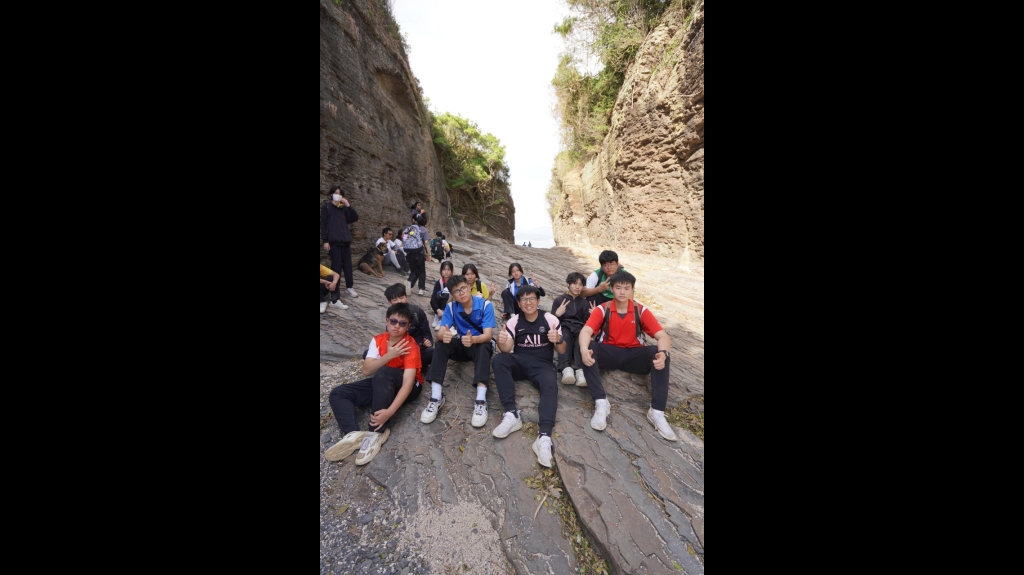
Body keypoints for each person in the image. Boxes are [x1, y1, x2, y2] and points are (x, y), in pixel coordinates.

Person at [579, 271, 678, 442]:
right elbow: (586, 331)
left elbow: (663, 336)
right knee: (590, 348)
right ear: (611, 289)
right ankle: (601, 403)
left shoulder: (640, 310)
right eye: (618, 288)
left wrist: (662, 354)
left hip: (633, 355)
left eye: (627, 288)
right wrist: (582, 349)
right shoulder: (603, 309)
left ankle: (657, 412)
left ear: (632, 290)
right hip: (609, 352)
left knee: (660, 352)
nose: (622, 292)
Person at [325, 303, 424, 465]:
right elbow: (366, 370)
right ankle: (353, 434)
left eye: (402, 323)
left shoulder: (410, 345)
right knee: (339, 393)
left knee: (384, 372)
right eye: (393, 321)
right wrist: (389, 355)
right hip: (383, 383)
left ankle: (376, 432)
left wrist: (389, 412)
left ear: (408, 326)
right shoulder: (378, 340)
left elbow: (408, 383)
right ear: (387, 321)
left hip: (410, 386)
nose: (397, 326)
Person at [491, 286, 566, 468]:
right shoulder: (514, 321)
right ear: (519, 303)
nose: (528, 302)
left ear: (538, 301)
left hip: (543, 365)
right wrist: (501, 342)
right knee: (499, 360)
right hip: (520, 361)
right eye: (524, 299)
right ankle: (511, 414)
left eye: (532, 298)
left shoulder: (550, 319)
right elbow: (506, 349)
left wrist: (558, 339)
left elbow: (562, 350)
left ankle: (544, 436)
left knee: (550, 386)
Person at [421, 275, 496, 428]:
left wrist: (474, 340)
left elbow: (488, 335)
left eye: (463, 288)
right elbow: (440, 333)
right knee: (440, 344)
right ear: (452, 294)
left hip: (478, 344)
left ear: (469, 287)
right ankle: (436, 396)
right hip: (462, 344)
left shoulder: (485, 305)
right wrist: (445, 336)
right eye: (456, 291)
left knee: (484, 346)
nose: (461, 293)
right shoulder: (451, 307)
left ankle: (481, 400)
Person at [321, 186, 360, 299]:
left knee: (348, 265)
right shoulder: (326, 207)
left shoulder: (343, 208)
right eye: (336, 193)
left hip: (345, 242)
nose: (338, 195)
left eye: (340, 194)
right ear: (331, 194)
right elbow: (323, 225)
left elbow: (354, 218)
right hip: (334, 243)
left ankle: (349, 287)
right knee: (336, 266)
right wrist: (325, 241)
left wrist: (348, 205)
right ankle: (335, 289)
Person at [384, 284, 434, 372]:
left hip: (417, 350)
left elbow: (426, 333)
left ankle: (408, 368)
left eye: (401, 297)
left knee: (432, 352)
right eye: (395, 300)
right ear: (389, 302)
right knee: (368, 354)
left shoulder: (417, 312)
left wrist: (428, 341)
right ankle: (412, 368)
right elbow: (389, 337)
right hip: (399, 352)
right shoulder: (390, 315)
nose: (399, 301)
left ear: (406, 297)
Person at [552, 272, 590, 386]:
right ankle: (566, 369)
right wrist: (557, 314)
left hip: (579, 327)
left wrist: (592, 316)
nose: (577, 287)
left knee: (581, 341)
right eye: (574, 283)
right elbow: (551, 322)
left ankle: (580, 371)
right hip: (564, 326)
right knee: (565, 338)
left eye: (580, 284)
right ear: (568, 283)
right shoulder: (559, 300)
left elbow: (586, 321)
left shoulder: (584, 302)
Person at [402, 213, 433, 296]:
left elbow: (404, 239)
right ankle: (421, 289)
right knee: (422, 271)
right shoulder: (423, 229)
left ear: (414, 220)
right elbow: (426, 242)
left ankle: (409, 282)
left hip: (410, 253)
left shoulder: (409, 228)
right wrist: (429, 254)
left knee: (414, 270)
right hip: (419, 253)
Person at [430, 261, 455, 330]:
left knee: (446, 293)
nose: (446, 272)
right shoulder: (439, 283)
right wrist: (437, 310)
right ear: (441, 271)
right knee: (438, 295)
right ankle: (438, 316)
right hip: (441, 306)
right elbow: (432, 299)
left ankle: (443, 319)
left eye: (448, 270)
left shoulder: (454, 282)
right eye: (444, 269)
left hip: (451, 303)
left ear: (452, 271)